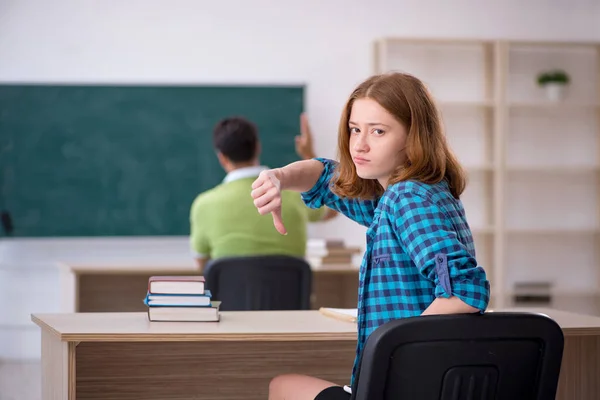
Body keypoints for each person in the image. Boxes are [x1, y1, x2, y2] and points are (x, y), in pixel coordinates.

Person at [251, 72, 491, 400]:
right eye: (355, 129)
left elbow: (465, 290)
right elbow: (323, 177)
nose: (359, 145)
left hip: (403, 384)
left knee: (282, 386)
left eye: (378, 131)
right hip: (423, 382)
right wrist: (278, 176)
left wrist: (397, 347)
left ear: (413, 136)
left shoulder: (405, 198)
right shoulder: (411, 195)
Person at [189, 114, 336, 270]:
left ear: (222, 158)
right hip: (290, 294)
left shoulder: (204, 205)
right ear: (258, 147)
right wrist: (310, 156)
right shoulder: (296, 194)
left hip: (231, 294)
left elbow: (203, 267)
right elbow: (334, 207)